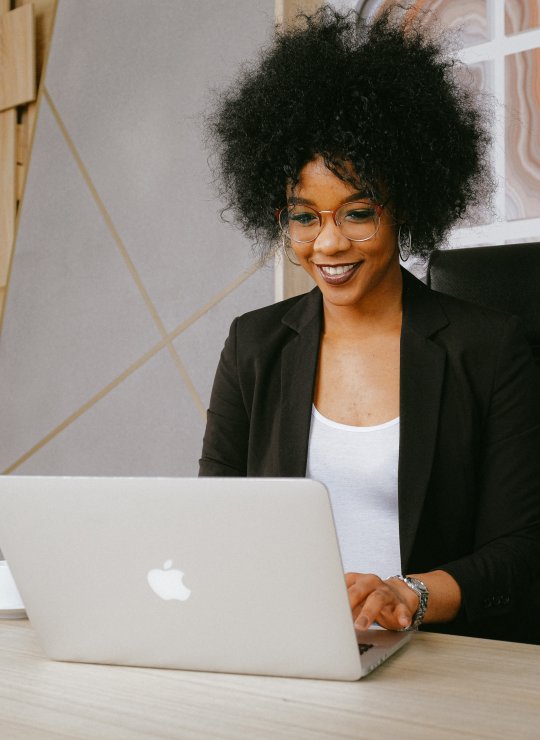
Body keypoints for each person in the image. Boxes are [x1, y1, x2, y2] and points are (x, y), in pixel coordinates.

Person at [199, 5, 540, 642]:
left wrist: (407, 593)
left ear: (405, 204)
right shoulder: (255, 343)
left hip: (440, 656)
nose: (328, 244)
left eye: (358, 213)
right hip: (289, 644)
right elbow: (216, 517)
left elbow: (522, 552)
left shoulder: (488, 348)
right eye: (304, 217)